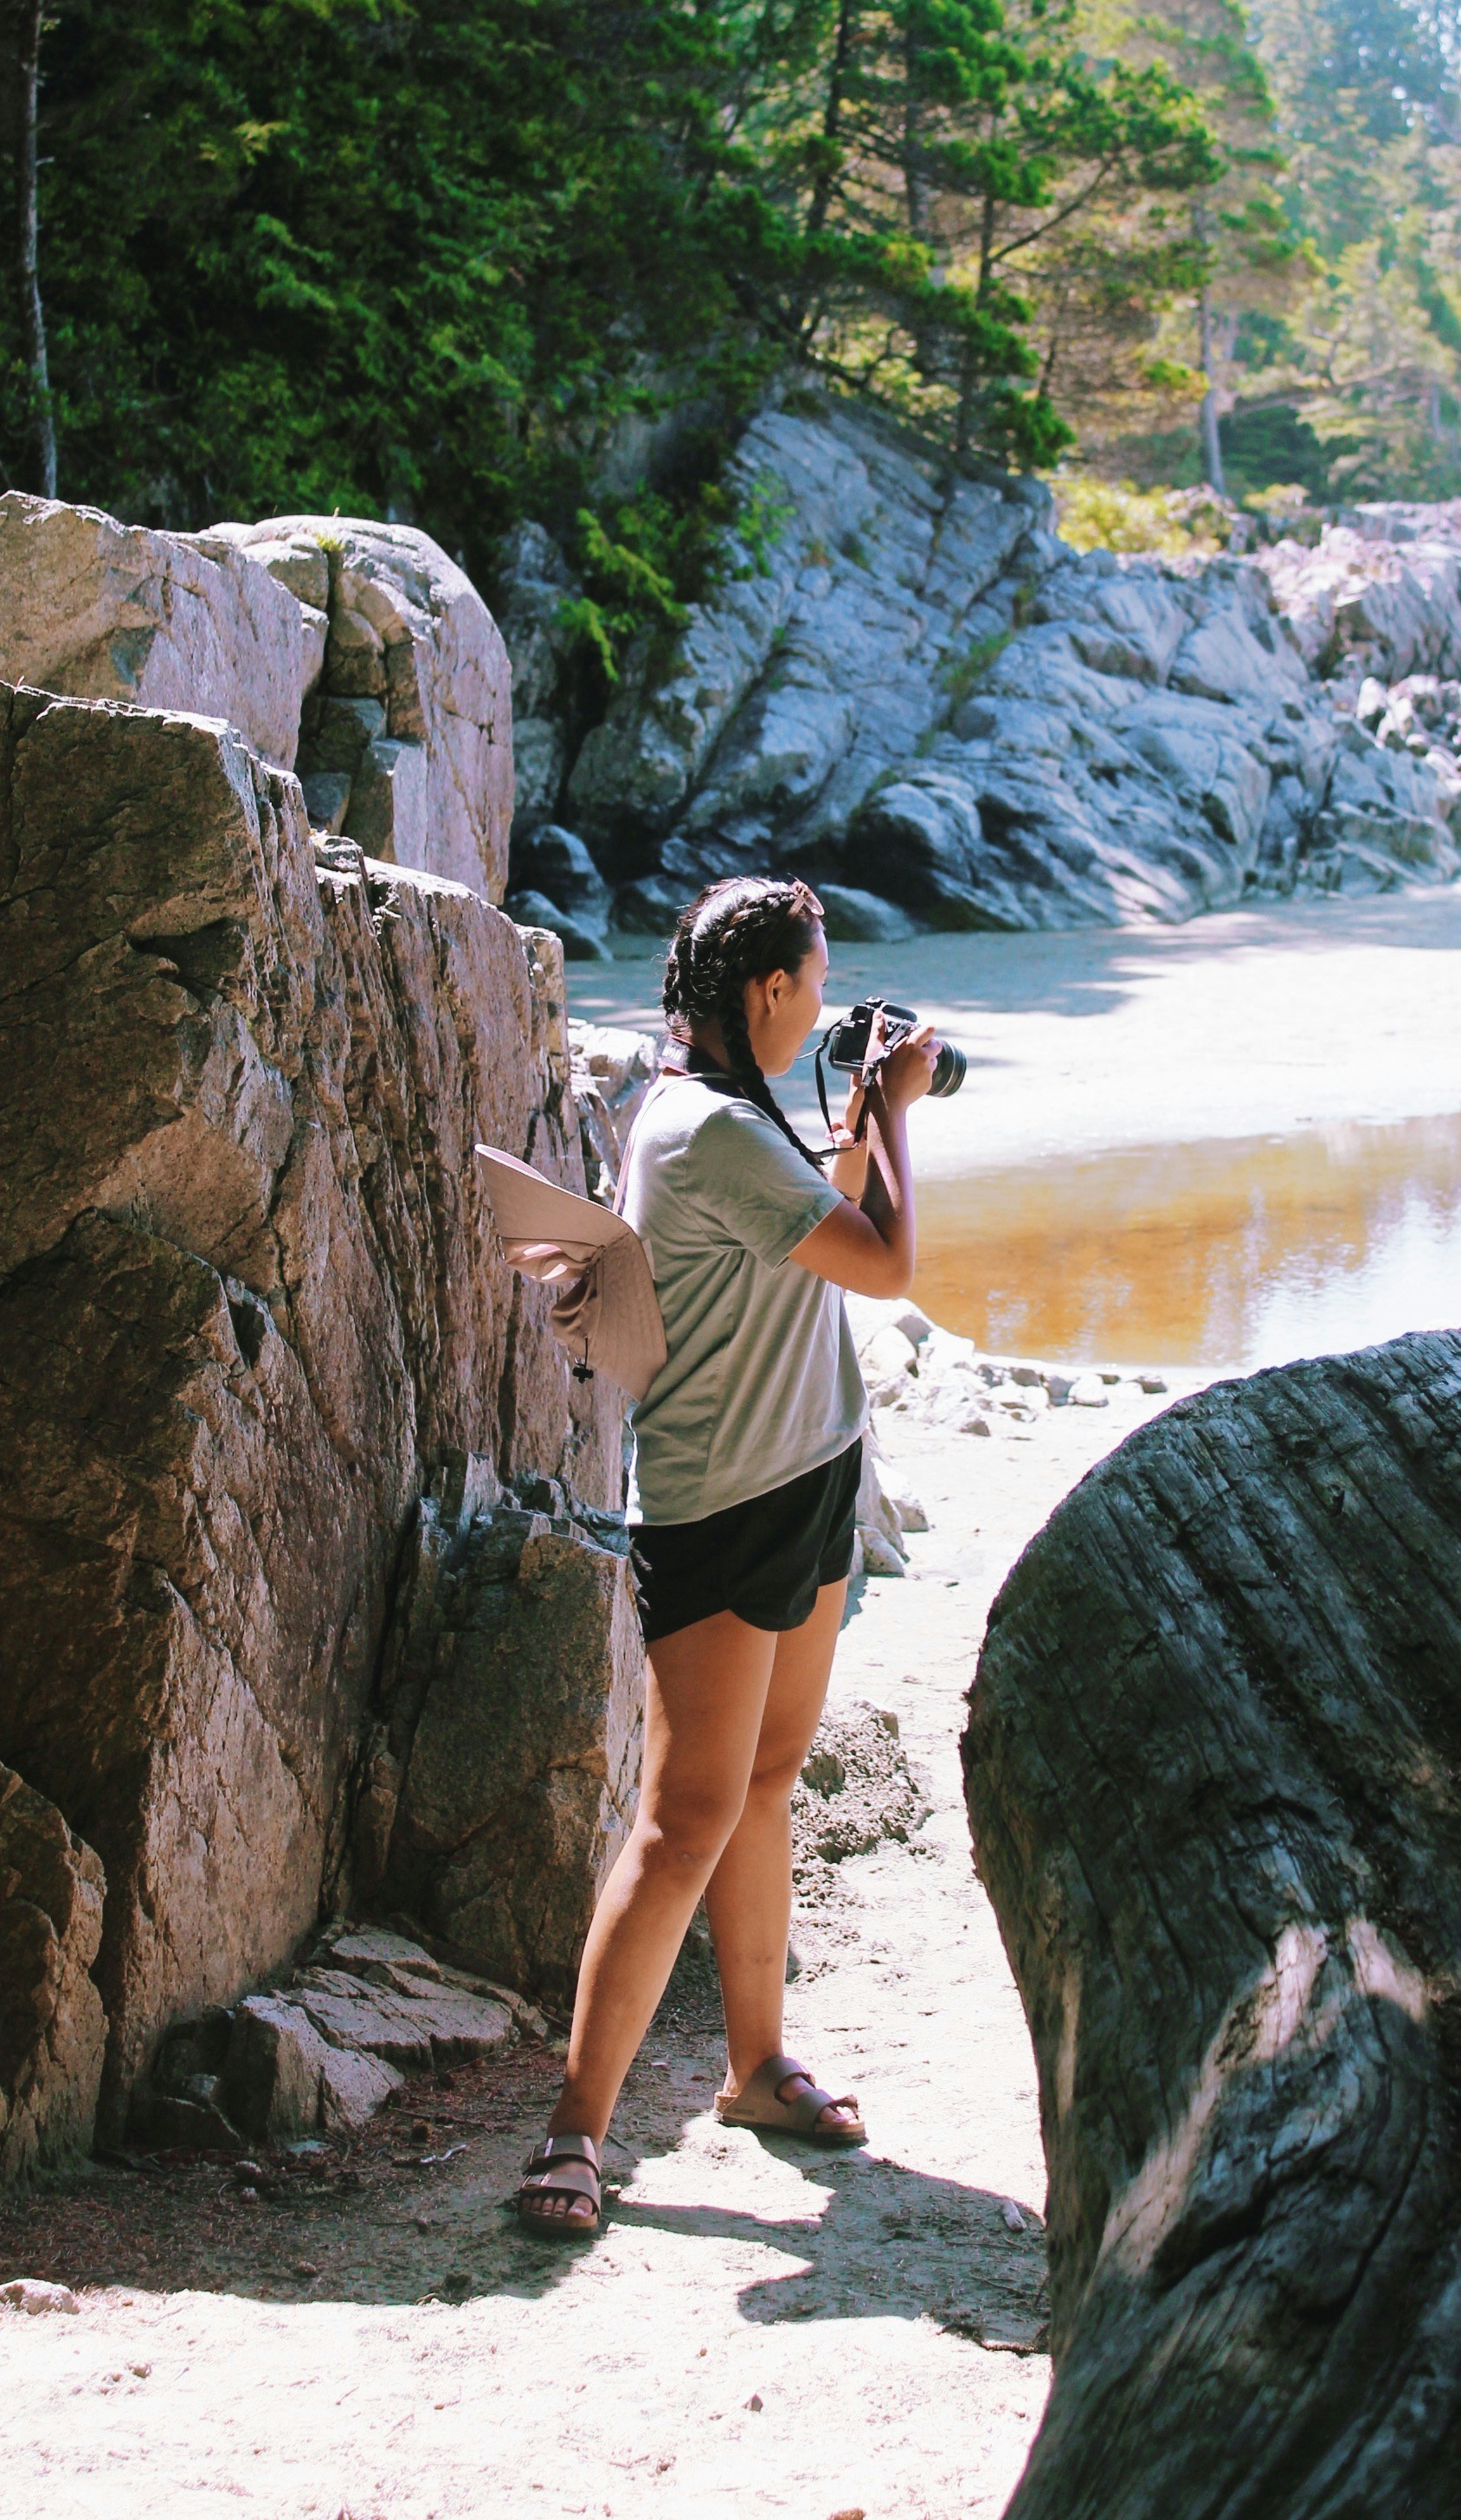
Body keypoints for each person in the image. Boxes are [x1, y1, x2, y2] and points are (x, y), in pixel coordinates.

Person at [516, 874, 940, 2240]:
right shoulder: (707, 1133)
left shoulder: (714, 1112)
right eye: (814, 985)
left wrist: (854, 1126)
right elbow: (883, 1268)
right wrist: (897, 1121)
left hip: (809, 1475)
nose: (821, 1004)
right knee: (685, 1815)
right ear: (766, 994)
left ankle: (756, 2068)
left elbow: (806, 1229)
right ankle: (575, 2134)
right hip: (716, 1508)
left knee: (764, 1781)